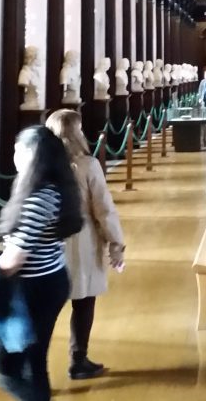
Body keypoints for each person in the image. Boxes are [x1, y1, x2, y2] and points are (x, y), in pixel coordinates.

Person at [0, 125, 83, 401]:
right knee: (34, 358)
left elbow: (15, 258)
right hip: (48, 279)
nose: (14, 155)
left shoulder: (37, 196)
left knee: (6, 365)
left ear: (32, 154)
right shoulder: (52, 187)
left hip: (34, 288)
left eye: (17, 149)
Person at [45, 109, 125, 381]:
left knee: (47, 306)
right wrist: (116, 242)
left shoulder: (40, 165)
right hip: (81, 240)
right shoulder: (87, 165)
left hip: (49, 241)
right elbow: (103, 209)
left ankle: (34, 367)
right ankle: (78, 360)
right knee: (83, 301)